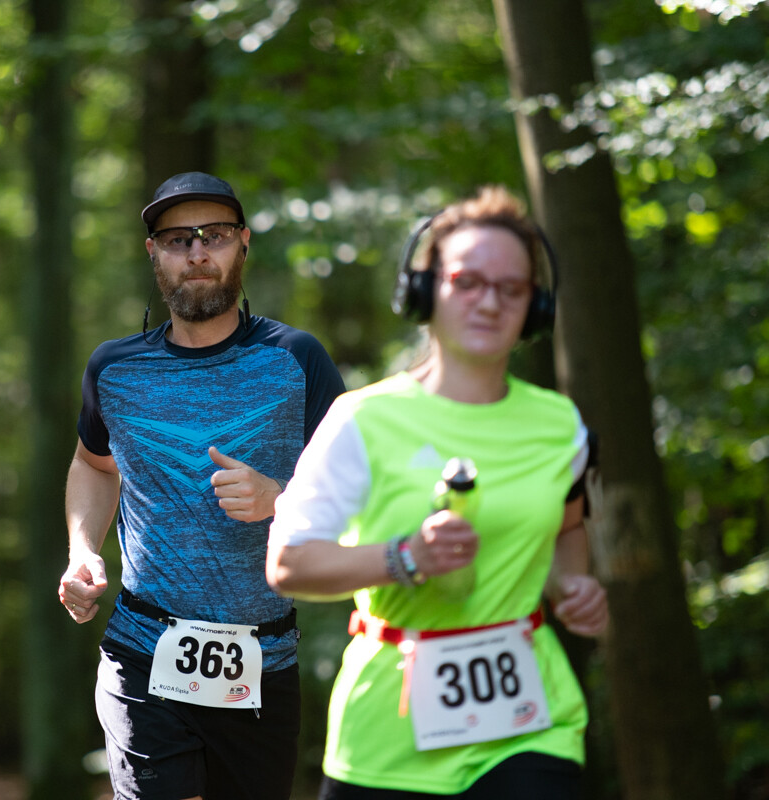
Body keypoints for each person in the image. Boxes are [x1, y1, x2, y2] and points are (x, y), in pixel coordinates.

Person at [266, 186, 608, 799]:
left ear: (536, 305)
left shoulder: (561, 427)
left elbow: (567, 528)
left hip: (532, 722)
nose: (490, 302)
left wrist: (571, 586)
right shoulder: (362, 420)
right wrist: (406, 558)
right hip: (387, 730)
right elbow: (288, 564)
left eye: (512, 288)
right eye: (467, 281)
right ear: (426, 291)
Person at [59, 171, 346, 800]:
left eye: (212, 235)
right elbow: (92, 464)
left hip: (263, 661)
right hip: (143, 651)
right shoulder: (115, 368)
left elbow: (361, 492)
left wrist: (281, 499)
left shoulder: (297, 360)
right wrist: (84, 551)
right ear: (153, 253)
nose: (196, 252)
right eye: (176, 238)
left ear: (243, 243)